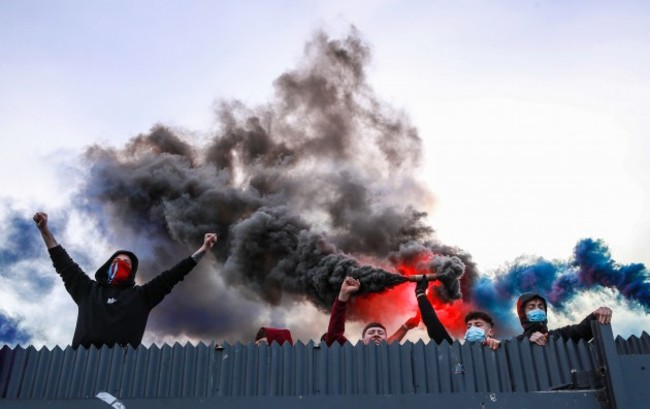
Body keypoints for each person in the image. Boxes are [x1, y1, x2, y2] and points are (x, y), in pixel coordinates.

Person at [33, 211, 217, 349]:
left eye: (126, 263)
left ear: (132, 272)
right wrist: (44, 230)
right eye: (117, 261)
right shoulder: (87, 290)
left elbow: (173, 276)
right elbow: (63, 263)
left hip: (124, 368)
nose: (121, 263)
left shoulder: (142, 296)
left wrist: (203, 250)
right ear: (108, 267)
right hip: (81, 364)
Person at [323, 276, 419, 346]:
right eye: (371, 332)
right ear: (363, 340)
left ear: (386, 340)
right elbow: (333, 336)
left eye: (381, 333)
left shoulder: (395, 357)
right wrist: (343, 295)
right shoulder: (353, 355)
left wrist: (405, 327)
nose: (376, 334)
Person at [516, 292, 613, 346]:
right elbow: (502, 348)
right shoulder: (516, 343)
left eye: (541, 307)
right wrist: (528, 340)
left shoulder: (558, 335)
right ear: (523, 314)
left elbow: (580, 331)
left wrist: (595, 315)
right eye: (532, 307)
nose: (538, 310)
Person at [415, 279, 453, 344]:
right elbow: (433, 325)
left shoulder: (457, 351)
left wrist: (420, 292)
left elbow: (432, 323)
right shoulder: (453, 350)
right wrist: (420, 294)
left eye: (477, 325)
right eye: (469, 325)